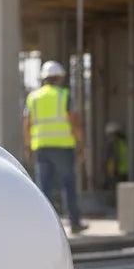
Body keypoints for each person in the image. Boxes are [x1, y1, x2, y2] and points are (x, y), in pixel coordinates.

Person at [23, 60, 86, 234]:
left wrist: (28, 146)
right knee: (68, 184)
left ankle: (45, 226)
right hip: (63, 147)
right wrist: (81, 143)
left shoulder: (33, 97)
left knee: (44, 188)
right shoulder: (64, 95)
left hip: (41, 147)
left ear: (44, 79)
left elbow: (27, 124)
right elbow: (74, 121)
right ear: (59, 78)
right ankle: (74, 223)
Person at [104, 121, 129, 192]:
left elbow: (112, 157)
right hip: (125, 169)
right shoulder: (125, 142)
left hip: (117, 169)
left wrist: (110, 170)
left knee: (117, 190)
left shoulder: (114, 143)